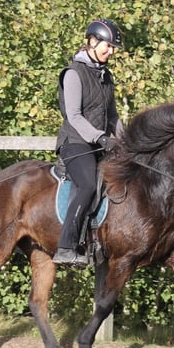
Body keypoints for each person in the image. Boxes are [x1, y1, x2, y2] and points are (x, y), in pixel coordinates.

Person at [53, 18, 125, 266]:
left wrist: (127, 143)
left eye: (113, 48)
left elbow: (113, 116)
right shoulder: (74, 73)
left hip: (99, 144)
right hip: (75, 143)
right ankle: (66, 246)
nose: (111, 51)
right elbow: (74, 116)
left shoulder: (106, 76)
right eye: (108, 46)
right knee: (87, 185)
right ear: (92, 42)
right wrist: (100, 138)